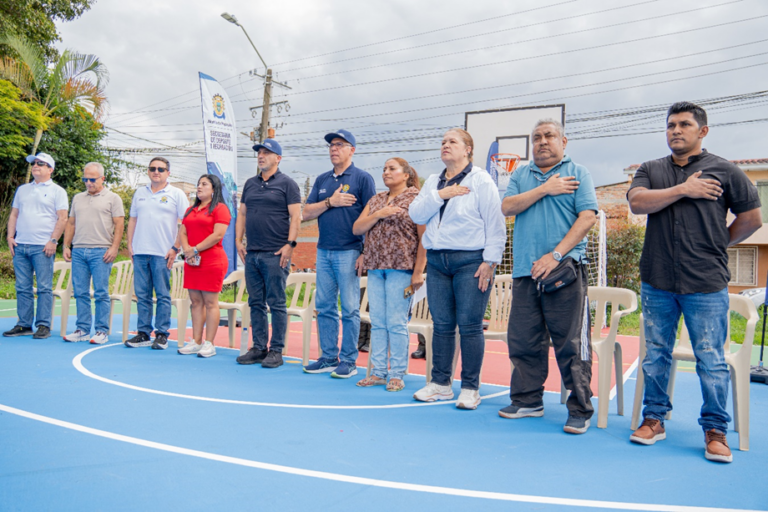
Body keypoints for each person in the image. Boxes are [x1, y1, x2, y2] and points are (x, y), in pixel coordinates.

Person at [627, 102, 761, 462]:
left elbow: (751, 219)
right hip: (657, 279)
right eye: (671, 125)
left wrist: (718, 243)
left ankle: (715, 429)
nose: (675, 130)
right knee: (656, 355)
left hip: (706, 281)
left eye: (684, 124)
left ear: (702, 131)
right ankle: (654, 419)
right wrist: (683, 189)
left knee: (711, 359)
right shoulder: (651, 169)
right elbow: (637, 203)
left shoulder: (725, 170)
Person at [499, 119, 598, 435]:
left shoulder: (578, 172)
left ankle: (579, 409)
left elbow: (587, 217)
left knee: (571, 344)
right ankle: (528, 401)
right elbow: (507, 207)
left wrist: (555, 255)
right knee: (523, 340)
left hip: (564, 270)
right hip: (526, 272)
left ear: (563, 141)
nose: (542, 141)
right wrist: (545, 188)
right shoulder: (520, 174)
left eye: (549, 136)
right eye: (537, 137)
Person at [409, 128, 506, 409]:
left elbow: (495, 223)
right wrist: (442, 194)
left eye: (452, 141)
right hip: (437, 261)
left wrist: (490, 262)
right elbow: (416, 214)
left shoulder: (481, 179)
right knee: (441, 326)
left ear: (468, 150)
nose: (445, 145)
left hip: (471, 261)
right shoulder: (434, 182)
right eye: (443, 142)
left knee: (470, 326)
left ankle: (470, 388)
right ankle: (440, 384)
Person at [301, 129, 376, 378]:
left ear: (352, 150)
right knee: (324, 306)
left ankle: (349, 361)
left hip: (350, 250)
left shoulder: (362, 178)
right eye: (331, 145)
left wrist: (365, 251)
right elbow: (306, 213)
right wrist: (329, 202)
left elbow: (372, 218)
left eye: (340, 144)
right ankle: (328, 357)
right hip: (324, 250)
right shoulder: (322, 180)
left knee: (351, 308)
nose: (334, 148)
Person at [353, 158, 427, 392]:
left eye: (392, 169)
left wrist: (418, 272)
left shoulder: (417, 199)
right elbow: (357, 228)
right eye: (384, 169)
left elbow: (424, 238)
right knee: (378, 322)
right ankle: (378, 372)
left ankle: (396, 373)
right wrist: (379, 214)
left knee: (396, 322)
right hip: (376, 268)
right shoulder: (376, 200)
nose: (386, 172)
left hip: (401, 268)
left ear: (406, 175)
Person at [235, 139, 301, 368]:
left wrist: (290, 244)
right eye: (259, 152)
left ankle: (276, 350)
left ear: (278, 158)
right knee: (255, 302)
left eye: (266, 152)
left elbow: (296, 216)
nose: (261, 156)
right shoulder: (250, 184)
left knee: (276, 303)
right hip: (252, 253)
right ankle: (259, 348)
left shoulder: (288, 184)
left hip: (275, 253)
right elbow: (242, 214)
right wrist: (238, 241)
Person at [125, 157, 189, 350]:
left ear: (168, 173)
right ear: (148, 171)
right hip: (140, 251)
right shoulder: (140, 192)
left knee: (162, 295)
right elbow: (133, 220)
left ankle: (162, 334)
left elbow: (186, 223)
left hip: (163, 253)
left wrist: (175, 247)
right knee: (142, 295)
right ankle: (143, 333)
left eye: (161, 169)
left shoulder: (176, 194)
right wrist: (130, 244)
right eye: (152, 168)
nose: (156, 172)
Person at [3, 152, 68, 339]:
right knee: (22, 287)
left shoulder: (58, 191)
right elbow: (14, 214)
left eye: (41, 163)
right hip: (20, 245)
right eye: (34, 163)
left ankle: (43, 325)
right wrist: (10, 236)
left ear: (50, 169)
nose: (35, 166)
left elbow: (62, 218)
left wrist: (53, 240)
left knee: (44, 287)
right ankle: (24, 324)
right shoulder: (22, 190)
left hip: (43, 246)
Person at [62, 162, 125, 345]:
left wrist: (114, 247)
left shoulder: (113, 198)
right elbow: (71, 223)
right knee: (80, 292)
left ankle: (101, 331)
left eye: (92, 179)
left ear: (102, 178)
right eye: (85, 179)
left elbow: (119, 224)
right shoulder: (77, 198)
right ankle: (82, 329)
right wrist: (66, 245)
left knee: (101, 292)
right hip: (79, 250)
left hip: (101, 251)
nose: (88, 183)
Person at [176, 174, 231, 358]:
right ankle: (196, 341)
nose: (199, 187)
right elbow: (183, 232)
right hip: (192, 260)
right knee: (196, 302)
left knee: (210, 302)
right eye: (198, 184)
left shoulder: (220, 208)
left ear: (214, 189)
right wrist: (187, 250)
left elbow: (217, 235)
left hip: (212, 260)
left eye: (204, 184)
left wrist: (195, 249)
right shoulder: (190, 210)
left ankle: (209, 343)